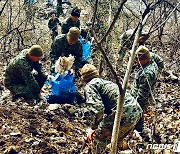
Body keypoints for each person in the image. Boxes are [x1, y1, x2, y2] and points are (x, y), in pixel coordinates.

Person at [80, 64, 142, 153]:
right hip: (136, 111)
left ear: (84, 78)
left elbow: (98, 110)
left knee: (98, 140)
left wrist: (94, 128)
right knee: (116, 140)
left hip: (123, 112)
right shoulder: (106, 83)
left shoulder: (90, 85)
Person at [130, 45, 164, 132]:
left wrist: (134, 106)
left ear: (144, 59)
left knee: (138, 111)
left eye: (138, 59)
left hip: (142, 97)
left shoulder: (147, 74)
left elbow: (141, 97)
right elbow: (160, 62)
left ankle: (138, 130)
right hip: (141, 90)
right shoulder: (150, 57)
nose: (136, 61)